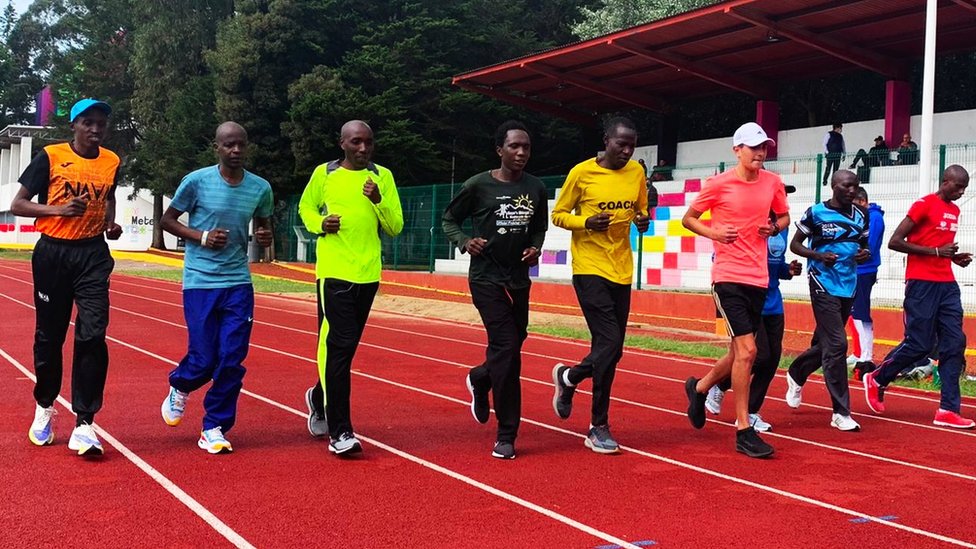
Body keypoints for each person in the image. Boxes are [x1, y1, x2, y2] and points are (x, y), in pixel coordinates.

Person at [12, 98, 123, 456]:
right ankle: (45, 405)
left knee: (93, 334)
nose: (95, 130)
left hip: (92, 255)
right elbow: (18, 204)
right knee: (50, 336)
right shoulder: (50, 156)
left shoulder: (111, 161)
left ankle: (85, 423)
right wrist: (58, 208)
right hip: (53, 254)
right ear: (73, 126)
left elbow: (109, 198)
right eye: (87, 123)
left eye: (100, 124)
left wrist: (109, 222)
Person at [158, 122, 274, 454]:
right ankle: (180, 385)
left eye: (240, 145)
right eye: (228, 145)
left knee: (232, 359)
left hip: (238, 282)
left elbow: (264, 227)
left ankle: (215, 426)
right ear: (217, 148)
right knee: (205, 357)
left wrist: (265, 238)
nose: (235, 151)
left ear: (247, 147)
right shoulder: (196, 182)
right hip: (200, 282)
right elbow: (167, 220)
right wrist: (202, 237)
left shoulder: (260, 188)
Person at [682, 121, 789, 459]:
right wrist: (714, 233)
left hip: (758, 278)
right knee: (748, 351)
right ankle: (744, 428)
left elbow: (784, 218)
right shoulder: (718, 184)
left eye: (765, 147)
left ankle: (699, 389)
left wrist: (772, 227)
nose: (761, 153)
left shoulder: (773, 183)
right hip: (727, 276)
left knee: (738, 352)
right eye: (754, 147)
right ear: (737, 151)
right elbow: (689, 219)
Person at [442, 121, 547, 460]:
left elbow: (539, 227)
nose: (520, 153)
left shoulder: (535, 188)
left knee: (516, 340)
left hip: (519, 280)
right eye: (514, 146)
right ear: (499, 150)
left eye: (526, 147)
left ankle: (481, 376)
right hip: (486, 279)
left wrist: (535, 247)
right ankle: (507, 433)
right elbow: (449, 220)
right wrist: (464, 241)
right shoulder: (478, 185)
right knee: (507, 348)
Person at [298, 120, 404, 455]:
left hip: (368, 274)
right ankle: (340, 431)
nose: (363, 149)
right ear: (342, 143)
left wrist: (379, 199)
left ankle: (318, 395)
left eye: (369, 143)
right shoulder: (324, 174)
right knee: (339, 346)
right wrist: (319, 224)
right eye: (356, 142)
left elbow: (395, 226)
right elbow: (305, 207)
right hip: (334, 273)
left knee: (345, 349)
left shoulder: (382, 176)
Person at [550, 117, 650, 454]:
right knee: (608, 343)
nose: (626, 150)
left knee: (613, 350)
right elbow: (559, 214)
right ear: (606, 140)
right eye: (621, 144)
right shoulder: (581, 173)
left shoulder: (636, 172)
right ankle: (598, 426)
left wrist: (643, 220)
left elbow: (641, 210)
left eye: (631, 145)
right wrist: (586, 222)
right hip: (589, 267)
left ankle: (570, 377)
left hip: (621, 268)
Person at [864, 165, 974, 429]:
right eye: (957, 187)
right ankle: (878, 378)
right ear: (945, 181)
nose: (961, 193)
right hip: (921, 284)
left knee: (954, 343)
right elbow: (895, 242)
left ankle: (948, 409)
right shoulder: (923, 205)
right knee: (920, 344)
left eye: (964, 189)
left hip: (947, 283)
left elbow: (939, 247)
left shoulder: (955, 210)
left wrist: (952, 257)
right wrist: (936, 251)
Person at [705, 187, 803, 433]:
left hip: (773, 300)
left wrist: (787, 271)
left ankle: (751, 411)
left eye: (785, 196)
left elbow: (776, 264)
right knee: (757, 356)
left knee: (771, 361)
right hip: (747, 297)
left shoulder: (780, 228)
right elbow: (723, 259)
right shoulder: (744, 222)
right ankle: (720, 385)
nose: (782, 200)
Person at [783, 170, 869, 432]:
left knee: (826, 343)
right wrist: (818, 256)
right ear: (834, 186)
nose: (852, 190)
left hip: (848, 284)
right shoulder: (816, 213)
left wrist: (863, 255)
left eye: (855, 186)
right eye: (847, 186)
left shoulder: (860, 216)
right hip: (822, 281)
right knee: (837, 344)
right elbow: (795, 245)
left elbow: (862, 246)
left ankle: (796, 372)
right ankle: (841, 412)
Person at [847, 187, 885, 373]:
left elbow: (869, 247)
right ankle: (859, 351)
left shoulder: (874, 218)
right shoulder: (864, 216)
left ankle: (866, 355)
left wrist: (848, 252)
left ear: (862, 202)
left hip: (864, 270)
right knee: (853, 312)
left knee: (861, 313)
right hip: (856, 269)